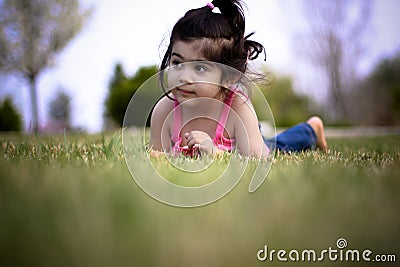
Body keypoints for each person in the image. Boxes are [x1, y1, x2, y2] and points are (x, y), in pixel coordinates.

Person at [150, 0, 327, 157]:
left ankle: (312, 129)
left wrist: (216, 153)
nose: (184, 77)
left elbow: (258, 160)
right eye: (177, 63)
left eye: (200, 68)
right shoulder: (164, 110)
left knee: (278, 146)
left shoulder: (237, 106)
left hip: (249, 139)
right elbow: (159, 156)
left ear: (228, 77)